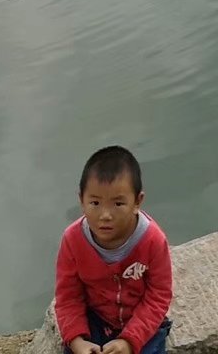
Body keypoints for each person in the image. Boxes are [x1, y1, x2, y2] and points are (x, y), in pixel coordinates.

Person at [54, 146, 174, 354]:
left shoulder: (153, 240)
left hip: (141, 320)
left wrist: (129, 341)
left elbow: (158, 295)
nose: (105, 215)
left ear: (137, 202)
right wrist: (77, 341)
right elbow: (68, 297)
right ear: (81, 200)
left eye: (118, 203)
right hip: (96, 318)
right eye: (95, 203)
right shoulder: (73, 240)